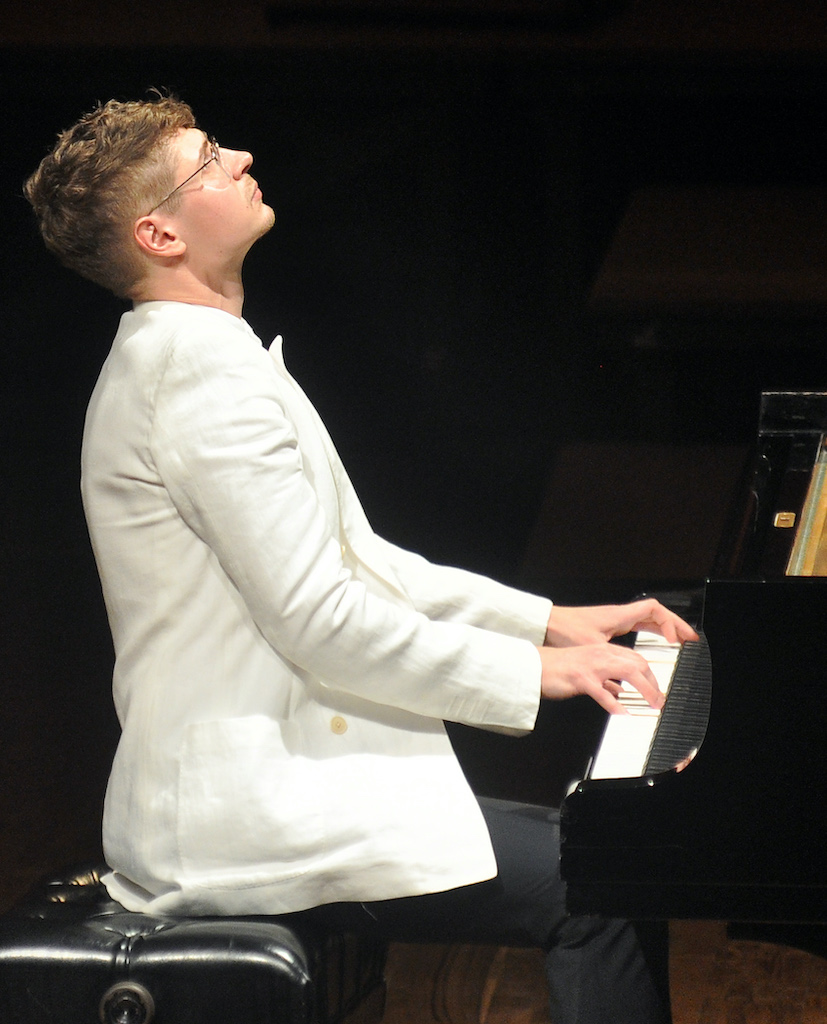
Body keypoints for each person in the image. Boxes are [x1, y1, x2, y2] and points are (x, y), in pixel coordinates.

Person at [24, 95, 697, 1024]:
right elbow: (320, 620)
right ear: (160, 234)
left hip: (268, 785)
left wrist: (546, 622)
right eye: (209, 160)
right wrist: (537, 672)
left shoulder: (199, 355)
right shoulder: (196, 375)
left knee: (602, 865)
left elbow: (359, 562)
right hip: (248, 814)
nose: (241, 156)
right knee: (599, 890)